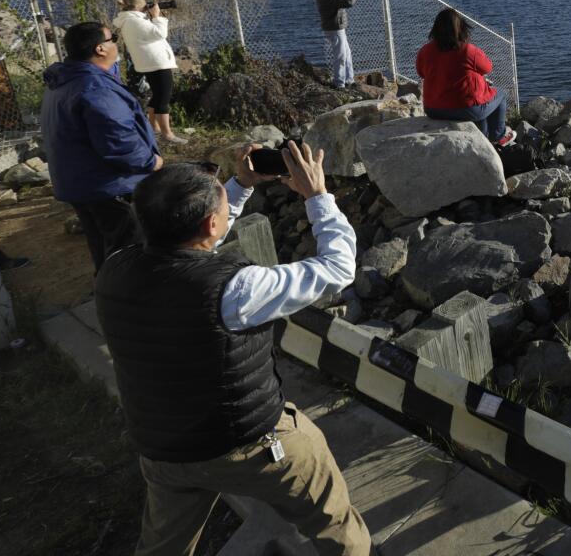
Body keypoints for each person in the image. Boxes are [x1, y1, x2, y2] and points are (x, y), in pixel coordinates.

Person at [95, 141, 371, 555]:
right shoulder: (236, 291)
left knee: (161, 548)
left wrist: (240, 185)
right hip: (250, 443)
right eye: (222, 206)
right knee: (334, 521)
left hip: (163, 449)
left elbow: (194, 248)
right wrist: (318, 196)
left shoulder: (115, 267)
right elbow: (336, 269)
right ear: (210, 224)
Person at [41, 21, 162, 270]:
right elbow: (118, 141)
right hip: (109, 186)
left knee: (103, 247)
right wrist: (151, 161)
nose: (116, 43)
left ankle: (110, 294)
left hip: (81, 182)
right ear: (100, 49)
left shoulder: (67, 81)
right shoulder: (94, 88)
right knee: (129, 252)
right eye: (112, 38)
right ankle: (130, 300)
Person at [415, 6, 516, 147]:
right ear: (460, 28)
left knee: (479, 106)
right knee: (500, 94)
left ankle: (484, 139)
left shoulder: (424, 51)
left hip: (433, 108)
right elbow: (488, 67)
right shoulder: (468, 50)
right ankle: (498, 136)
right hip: (465, 109)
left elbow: (421, 72)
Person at [113, 0, 183, 143]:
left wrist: (155, 18)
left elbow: (149, 34)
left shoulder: (129, 20)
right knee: (164, 97)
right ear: (137, 8)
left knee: (157, 95)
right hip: (156, 63)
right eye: (145, 7)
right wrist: (157, 16)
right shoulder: (134, 20)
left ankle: (154, 127)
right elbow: (159, 33)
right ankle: (167, 134)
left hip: (149, 63)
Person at [311, 0, 358, 89]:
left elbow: (339, 2)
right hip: (335, 30)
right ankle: (339, 83)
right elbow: (348, 3)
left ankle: (349, 80)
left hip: (337, 29)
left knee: (347, 54)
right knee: (341, 56)